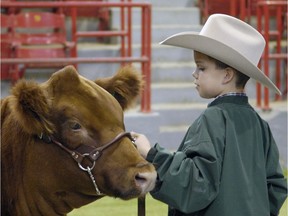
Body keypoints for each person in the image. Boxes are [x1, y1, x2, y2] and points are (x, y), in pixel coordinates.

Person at [132, 14, 287, 216]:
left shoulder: (213, 119)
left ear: (227, 75)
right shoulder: (259, 124)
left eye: (201, 67)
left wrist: (151, 154)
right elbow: (276, 186)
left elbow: (196, 186)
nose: (195, 74)